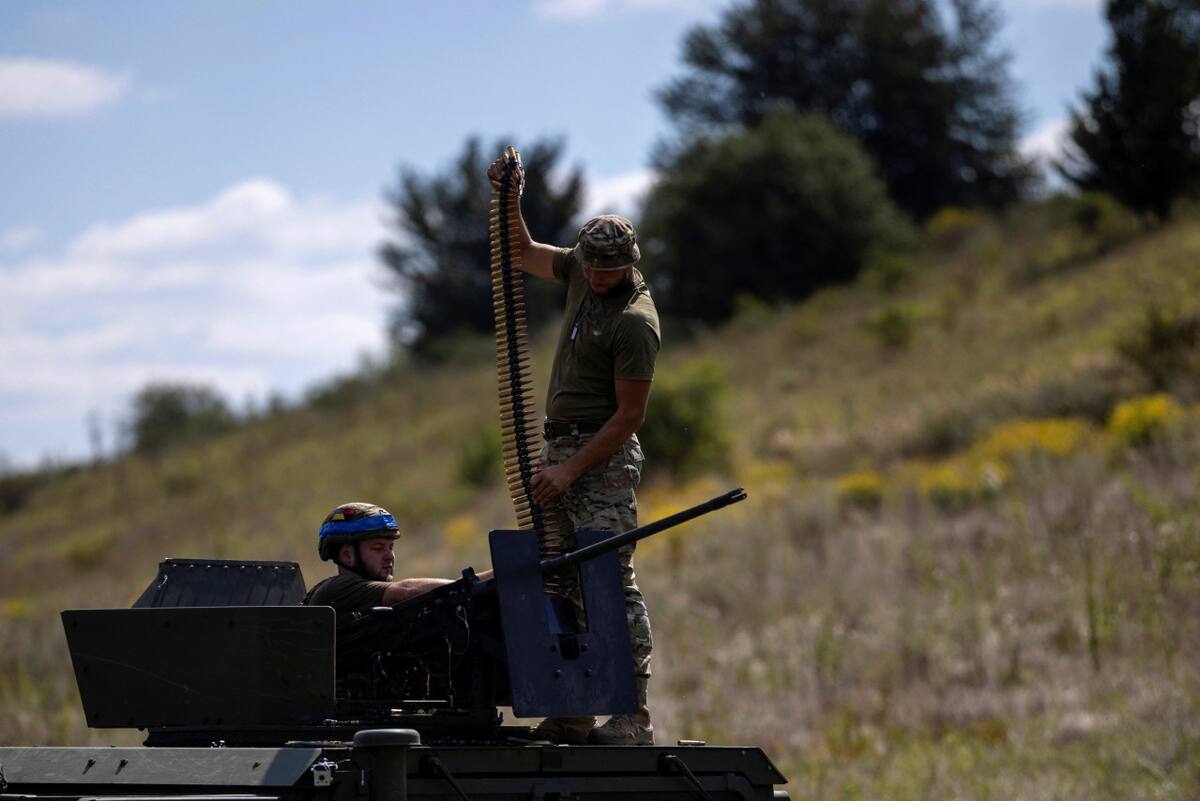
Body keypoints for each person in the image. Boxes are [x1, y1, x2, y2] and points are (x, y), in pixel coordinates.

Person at [487, 155, 661, 746]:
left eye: (609, 271)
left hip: (600, 460)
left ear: (627, 265)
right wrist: (510, 195)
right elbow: (522, 251)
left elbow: (629, 416)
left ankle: (632, 714)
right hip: (561, 449)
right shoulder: (583, 274)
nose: (598, 277)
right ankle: (575, 706)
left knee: (608, 580)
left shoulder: (633, 322)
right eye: (591, 267)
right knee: (559, 576)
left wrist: (568, 471)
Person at [303, 502, 453, 618]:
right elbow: (406, 590)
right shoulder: (338, 589)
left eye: (390, 547)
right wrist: (469, 584)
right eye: (378, 548)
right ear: (347, 555)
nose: (390, 556)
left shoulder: (369, 597)